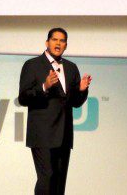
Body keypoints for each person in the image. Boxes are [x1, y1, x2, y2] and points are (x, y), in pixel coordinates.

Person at [18, 27, 92, 195]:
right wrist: (44, 86)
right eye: (54, 39)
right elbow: (23, 98)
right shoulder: (32, 65)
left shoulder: (71, 68)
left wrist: (81, 90)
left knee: (59, 183)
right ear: (47, 42)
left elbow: (75, 102)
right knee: (47, 178)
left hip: (64, 135)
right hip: (42, 134)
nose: (58, 43)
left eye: (62, 41)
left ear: (66, 45)